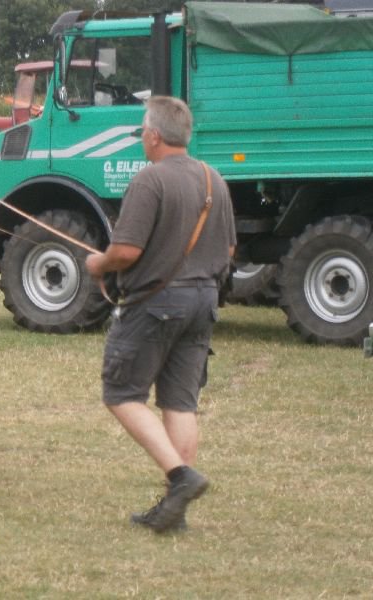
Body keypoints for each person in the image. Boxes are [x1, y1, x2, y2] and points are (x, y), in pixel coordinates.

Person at [85, 96, 236, 533]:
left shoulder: (150, 181)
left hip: (156, 304)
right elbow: (228, 250)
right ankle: (175, 510)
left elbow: (127, 251)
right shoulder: (214, 180)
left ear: (153, 135)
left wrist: (98, 264)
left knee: (121, 395)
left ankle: (180, 476)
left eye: (141, 133)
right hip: (203, 301)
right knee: (180, 403)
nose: (141, 140)